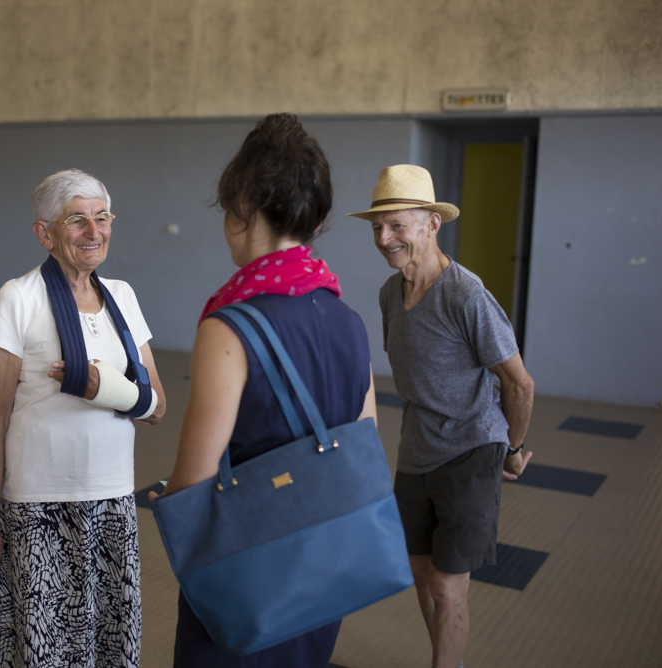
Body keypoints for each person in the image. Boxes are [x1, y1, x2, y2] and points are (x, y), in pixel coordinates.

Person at [150, 113, 378, 667]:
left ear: (242, 206)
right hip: (323, 567)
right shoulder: (348, 317)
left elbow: (194, 485)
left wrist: (165, 497)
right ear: (314, 219)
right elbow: (364, 445)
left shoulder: (229, 327)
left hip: (250, 571)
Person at [0, 169, 167, 668]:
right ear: (44, 232)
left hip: (113, 507)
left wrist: (108, 390)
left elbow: (156, 406)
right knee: (43, 650)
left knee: (107, 646)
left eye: (102, 218)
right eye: (77, 220)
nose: (94, 232)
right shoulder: (19, 298)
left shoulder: (122, 296)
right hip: (38, 510)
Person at [348, 164, 535, 668]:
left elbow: (518, 383)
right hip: (417, 451)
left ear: (432, 224)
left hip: (472, 448)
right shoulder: (390, 294)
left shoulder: (466, 294)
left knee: (450, 586)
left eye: (397, 226)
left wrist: (511, 449)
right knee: (421, 573)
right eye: (376, 227)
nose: (384, 239)